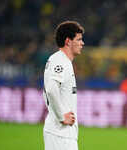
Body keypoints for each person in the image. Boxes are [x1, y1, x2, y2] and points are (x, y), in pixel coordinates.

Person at [43, 20, 85, 150]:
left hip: (61, 134)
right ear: (68, 41)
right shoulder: (60, 61)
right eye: (78, 39)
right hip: (61, 135)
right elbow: (50, 89)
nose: (82, 43)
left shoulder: (60, 60)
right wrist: (62, 116)